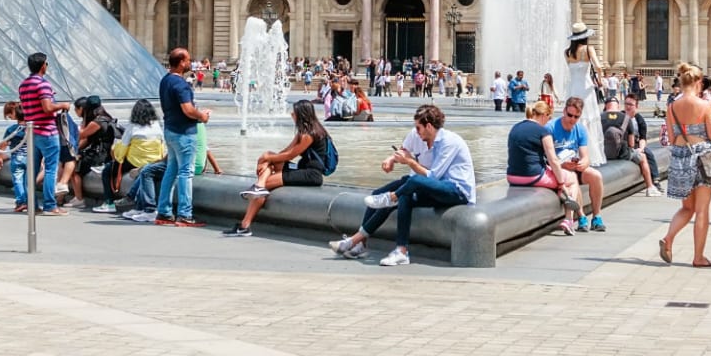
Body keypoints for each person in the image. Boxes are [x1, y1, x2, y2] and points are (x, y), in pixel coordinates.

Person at [330, 104, 475, 266]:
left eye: (419, 128)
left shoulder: (449, 142)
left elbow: (433, 176)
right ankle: (401, 251)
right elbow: (406, 152)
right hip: (437, 189)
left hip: (458, 191)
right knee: (403, 194)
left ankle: (387, 203)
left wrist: (409, 162)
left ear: (428, 126)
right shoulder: (418, 136)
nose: (416, 131)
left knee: (412, 181)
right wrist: (393, 159)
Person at [228, 100, 333, 237]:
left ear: (302, 114)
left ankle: (245, 224)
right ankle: (258, 188)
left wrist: (266, 157)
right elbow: (285, 152)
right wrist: (267, 159)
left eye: (294, 111)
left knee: (266, 180)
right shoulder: (304, 131)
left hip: (311, 174)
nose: (291, 114)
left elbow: (291, 154)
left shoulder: (309, 134)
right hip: (302, 168)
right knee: (270, 161)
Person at [658, 62, 711, 267]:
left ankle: (668, 238)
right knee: (702, 210)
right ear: (697, 82)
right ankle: (698, 257)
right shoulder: (704, 105)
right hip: (701, 157)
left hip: (679, 157)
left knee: (687, 207)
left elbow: (671, 133)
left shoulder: (671, 106)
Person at [505, 99, 581, 234]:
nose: (549, 120)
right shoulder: (543, 132)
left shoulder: (514, 128)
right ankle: (568, 219)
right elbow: (553, 160)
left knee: (557, 177)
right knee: (572, 178)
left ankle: (563, 198)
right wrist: (561, 183)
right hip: (533, 176)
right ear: (544, 115)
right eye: (549, 117)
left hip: (512, 177)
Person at [157, 47, 211, 227]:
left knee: (171, 171)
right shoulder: (181, 84)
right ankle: (185, 215)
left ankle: (164, 212)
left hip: (170, 130)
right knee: (185, 173)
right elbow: (187, 110)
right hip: (184, 133)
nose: (190, 62)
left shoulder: (165, 80)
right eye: (188, 60)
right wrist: (202, 116)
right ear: (181, 63)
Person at [16, 53, 71, 216]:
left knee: (31, 171)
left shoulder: (23, 85)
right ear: (42, 66)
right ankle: (50, 205)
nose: (47, 66)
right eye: (47, 63)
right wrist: (62, 104)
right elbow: (47, 107)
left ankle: (31, 204)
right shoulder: (43, 84)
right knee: (50, 170)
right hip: (47, 131)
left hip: (32, 132)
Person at [547, 96, 605, 231]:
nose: (572, 119)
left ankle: (597, 216)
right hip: (558, 169)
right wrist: (562, 165)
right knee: (572, 176)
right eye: (570, 115)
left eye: (576, 117)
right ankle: (581, 216)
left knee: (596, 175)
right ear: (564, 111)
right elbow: (547, 158)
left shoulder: (580, 129)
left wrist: (583, 163)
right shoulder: (550, 128)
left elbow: (585, 156)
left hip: (573, 165)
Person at [113, 100, 168, 219]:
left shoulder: (133, 126)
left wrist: (116, 155)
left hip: (135, 161)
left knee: (109, 170)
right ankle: (137, 205)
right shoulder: (157, 125)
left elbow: (123, 146)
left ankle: (111, 200)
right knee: (144, 170)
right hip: (155, 159)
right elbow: (162, 144)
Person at [604, 93, 661, 196]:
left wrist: (641, 148)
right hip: (625, 148)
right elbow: (630, 143)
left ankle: (656, 179)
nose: (628, 107)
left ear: (636, 106)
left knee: (648, 153)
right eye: (626, 104)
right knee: (642, 157)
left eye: (631, 104)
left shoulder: (639, 120)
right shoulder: (623, 117)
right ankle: (650, 187)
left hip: (635, 145)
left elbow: (643, 137)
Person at [564, 23, 602, 103]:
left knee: (572, 111)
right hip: (586, 85)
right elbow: (598, 67)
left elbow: (571, 68)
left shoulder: (567, 52)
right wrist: (599, 81)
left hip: (572, 86)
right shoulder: (589, 49)